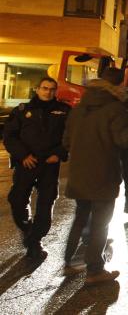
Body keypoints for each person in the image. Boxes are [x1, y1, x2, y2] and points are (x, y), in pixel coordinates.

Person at [62, 67, 128, 284]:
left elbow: (66, 142)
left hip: (78, 173)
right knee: (100, 222)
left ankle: (71, 263)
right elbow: (124, 141)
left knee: (81, 218)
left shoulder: (78, 108)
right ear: (119, 85)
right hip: (103, 174)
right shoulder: (115, 108)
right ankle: (94, 270)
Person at [3, 77, 70, 259]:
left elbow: (70, 136)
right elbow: (9, 136)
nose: (48, 92)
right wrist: (23, 155)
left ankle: (35, 242)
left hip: (49, 164)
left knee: (46, 202)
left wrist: (59, 153)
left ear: (55, 91)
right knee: (17, 199)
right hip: (27, 163)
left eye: (52, 89)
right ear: (37, 89)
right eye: (44, 88)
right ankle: (27, 228)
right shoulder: (22, 111)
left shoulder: (64, 111)